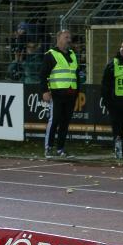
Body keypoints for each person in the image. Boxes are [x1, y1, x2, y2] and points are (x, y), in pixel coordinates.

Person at [40, 30, 81, 158]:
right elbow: (42, 75)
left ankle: (60, 149)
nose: (69, 39)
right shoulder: (50, 54)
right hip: (57, 94)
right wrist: (45, 91)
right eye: (66, 37)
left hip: (70, 94)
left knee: (65, 122)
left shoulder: (73, 54)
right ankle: (49, 148)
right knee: (55, 120)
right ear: (58, 38)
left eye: (70, 37)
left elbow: (76, 74)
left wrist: (77, 91)